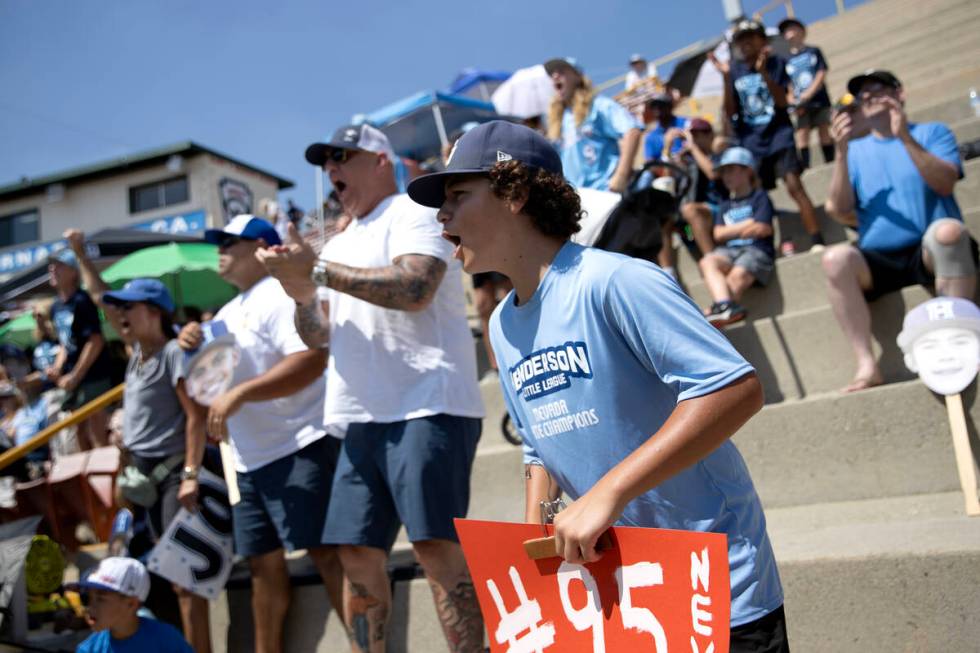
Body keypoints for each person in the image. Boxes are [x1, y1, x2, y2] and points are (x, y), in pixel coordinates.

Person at [407, 120, 788, 652]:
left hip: (716, 588)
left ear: (515, 194)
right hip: (626, 593)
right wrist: (533, 545)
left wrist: (608, 492)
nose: (440, 214)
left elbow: (734, 390)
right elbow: (539, 446)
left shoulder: (617, 281)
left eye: (458, 195)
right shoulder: (500, 325)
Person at [257, 122, 485, 653]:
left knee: (435, 548)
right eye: (325, 162)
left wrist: (315, 269)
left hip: (428, 403)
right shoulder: (342, 239)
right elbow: (317, 337)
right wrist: (300, 294)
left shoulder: (415, 210)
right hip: (362, 415)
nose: (332, 169)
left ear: (381, 160)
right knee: (355, 554)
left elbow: (415, 287)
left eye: (344, 156)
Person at [176, 215, 344, 653]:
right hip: (249, 462)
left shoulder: (279, 293)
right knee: (263, 570)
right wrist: (190, 349)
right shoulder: (225, 314)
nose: (221, 249)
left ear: (263, 247)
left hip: (301, 445)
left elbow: (312, 362)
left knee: (329, 557)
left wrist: (241, 395)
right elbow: (204, 396)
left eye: (231, 241)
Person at [64, 230, 211, 653]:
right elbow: (98, 298)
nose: (119, 313)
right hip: (138, 478)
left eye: (128, 307)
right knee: (138, 575)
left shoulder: (172, 352)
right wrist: (80, 255)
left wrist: (189, 475)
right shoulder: (136, 353)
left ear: (153, 311)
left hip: (171, 477)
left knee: (186, 586)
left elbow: (194, 416)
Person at [822, 69, 976, 392]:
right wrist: (840, 152)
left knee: (948, 232)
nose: (869, 97)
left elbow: (945, 183)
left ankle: (958, 338)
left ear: (900, 93)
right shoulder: (855, 151)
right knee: (834, 258)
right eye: (863, 95)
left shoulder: (933, 132)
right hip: (878, 259)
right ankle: (866, 363)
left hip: (930, 250)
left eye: (878, 89)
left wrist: (904, 136)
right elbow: (838, 208)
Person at [710, 18, 824, 254]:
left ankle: (817, 239)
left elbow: (783, 102)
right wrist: (725, 78)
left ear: (762, 39)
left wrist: (764, 74)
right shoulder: (734, 71)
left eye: (750, 37)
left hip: (779, 134)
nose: (745, 43)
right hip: (750, 141)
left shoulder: (777, 63)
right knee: (758, 194)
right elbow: (731, 112)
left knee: (794, 185)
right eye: (740, 40)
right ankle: (771, 243)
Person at [699, 147, 776, 326]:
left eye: (731, 170)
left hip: (756, 250)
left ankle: (713, 312)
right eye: (724, 171)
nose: (726, 176)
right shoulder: (725, 204)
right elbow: (718, 234)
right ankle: (725, 306)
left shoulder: (759, 197)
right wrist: (750, 223)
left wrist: (732, 230)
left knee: (736, 276)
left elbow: (763, 228)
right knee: (707, 262)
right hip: (730, 250)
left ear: (747, 171)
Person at [45, 248, 113, 450]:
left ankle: (106, 480)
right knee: (79, 433)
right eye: (52, 266)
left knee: (97, 433)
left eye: (59, 266)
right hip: (74, 378)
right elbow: (66, 343)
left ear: (74, 273)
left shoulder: (82, 301)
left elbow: (95, 341)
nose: (52, 270)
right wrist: (57, 367)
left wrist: (75, 375)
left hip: (93, 375)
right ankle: (85, 480)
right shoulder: (55, 306)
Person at [545, 57, 643, 192]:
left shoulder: (598, 105)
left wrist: (621, 175)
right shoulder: (557, 123)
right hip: (576, 199)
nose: (555, 76)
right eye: (551, 74)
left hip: (605, 191)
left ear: (578, 77)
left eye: (561, 71)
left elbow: (632, 131)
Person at [71, 557, 193, 653]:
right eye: (88, 598)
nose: (90, 606)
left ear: (131, 604)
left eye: (101, 598)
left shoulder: (167, 639)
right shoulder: (89, 650)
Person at [778, 17, 834, 169]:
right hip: (800, 104)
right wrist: (792, 99)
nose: (789, 33)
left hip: (819, 99)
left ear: (801, 31)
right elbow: (787, 83)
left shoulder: (813, 51)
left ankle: (831, 161)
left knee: (824, 129)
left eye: (792, 28)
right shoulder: (785, 59)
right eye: (786, 31)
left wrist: (809, 92)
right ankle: (806, 166)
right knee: (803, 133)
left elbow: (821, 72)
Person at [672, 117, 727, 263]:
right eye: (691, 136)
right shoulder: (692, 158)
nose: (694, 140)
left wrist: (693, 149)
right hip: (705, 211)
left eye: (697, 135)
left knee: (690, 210)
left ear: (709, 134)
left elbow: (712, 173)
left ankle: (712, 260)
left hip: (725, 206)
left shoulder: (721, 149)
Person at [643, 92, 690, 162]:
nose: (657, 109)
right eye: (653, 107)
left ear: (669, 107)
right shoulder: (651, 137)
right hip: (666, 169)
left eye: (660, 105)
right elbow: (650, 163)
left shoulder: (685, 123)